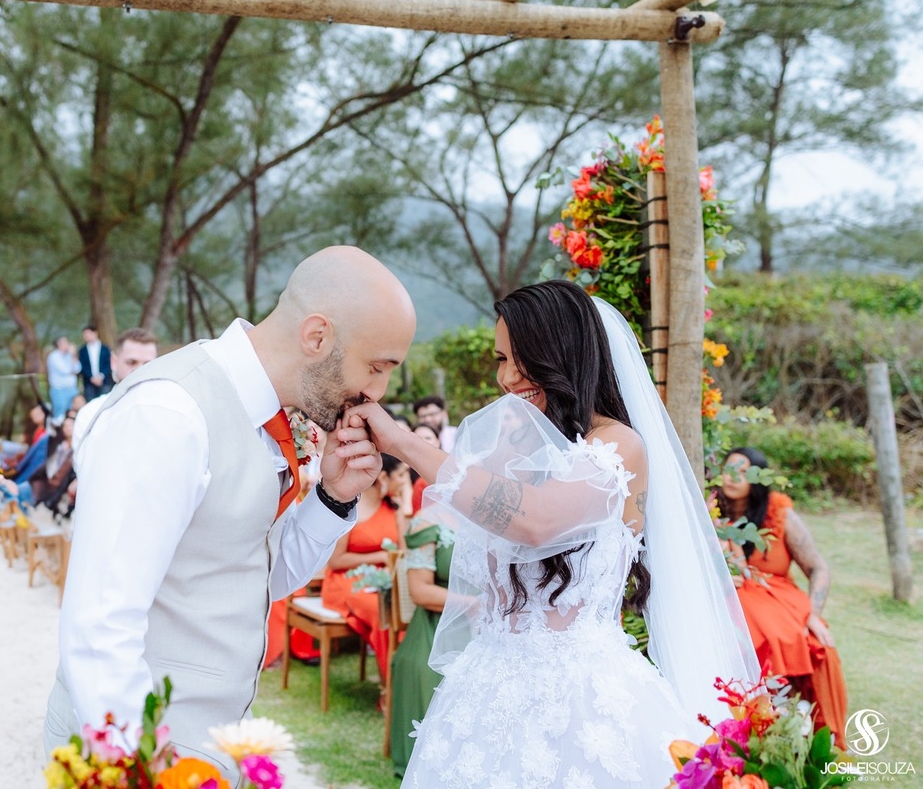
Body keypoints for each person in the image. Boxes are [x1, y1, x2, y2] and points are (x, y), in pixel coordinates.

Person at [348, 281, 758, 788]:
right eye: (500, 359)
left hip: (581, 700)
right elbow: (462, 518)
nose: (507, 377)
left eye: (521, 358)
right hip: (485, 692)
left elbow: (535, 521)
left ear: (562, 354)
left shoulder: (619, 446)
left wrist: (403, 442)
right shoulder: (511, 444)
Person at [45, 246, 416, 777]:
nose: (376, 394)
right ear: (317, 337)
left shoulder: (265, 415)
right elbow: (101, 623)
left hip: (211, 749)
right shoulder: (170, 413)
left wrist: (332, 497)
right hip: (147, 754)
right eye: (376, 368)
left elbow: (254, 574)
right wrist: (144, 770)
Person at [717, 446, 848, 748]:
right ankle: (760, 725)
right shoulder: (711, 511)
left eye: (743, 471)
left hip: (783, 601)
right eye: (728, 469)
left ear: (758, 479)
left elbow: (819, 568)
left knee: (818, 645)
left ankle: (819, 738)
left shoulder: (779, 513)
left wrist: (812, 614)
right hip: (739, 601)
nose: (733, 477)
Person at [321, 453, 409, 684]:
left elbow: (403, 553)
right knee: (382, 613)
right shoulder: (352, 507)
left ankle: (406, 680)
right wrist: (379, 556)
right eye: (400, 475)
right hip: (347, 580)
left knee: (406, 609)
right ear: (382, 477)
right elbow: (336, 561)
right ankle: (389, 687)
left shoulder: (395, 507)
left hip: (384, 579)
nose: (404, 481)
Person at [389, 505, 454, 775]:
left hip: (490, 627)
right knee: (425, 670)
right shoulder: (429, 521)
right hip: (435, 626)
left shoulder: (493, 518)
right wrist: (475, 605)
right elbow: (420, 591)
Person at [72, 329, 160, 445]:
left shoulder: (169, 413)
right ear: (114, 362)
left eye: (147, 364)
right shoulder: (90, 416)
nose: (140, 371)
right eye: (131, 362)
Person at [408, 423, 439, 514]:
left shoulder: (447, 469)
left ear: (437, 441)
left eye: (428, 438)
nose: (424, 442)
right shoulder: (403, 471)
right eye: (418, 439)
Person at [47, 336, 81, 420]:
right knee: (60, 414)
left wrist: (73, 355)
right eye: (65, 342)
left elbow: (78, 369)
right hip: (59, 390)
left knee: (73, 412)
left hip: (72, 389)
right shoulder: (54, 356)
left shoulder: (70, 355)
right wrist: (72, 371)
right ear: (58, 344)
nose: (67, 345)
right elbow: (65, 370)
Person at [78, 325, 114, 401]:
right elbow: (82, 366)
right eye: (85, 335)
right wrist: (92, 377)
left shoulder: (105, 349)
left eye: (88, 334)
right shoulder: (82, 350)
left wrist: (100, 376)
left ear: (95, 333)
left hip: (104, 382)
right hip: (89, 383)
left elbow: (108, 364)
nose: (86, 336)